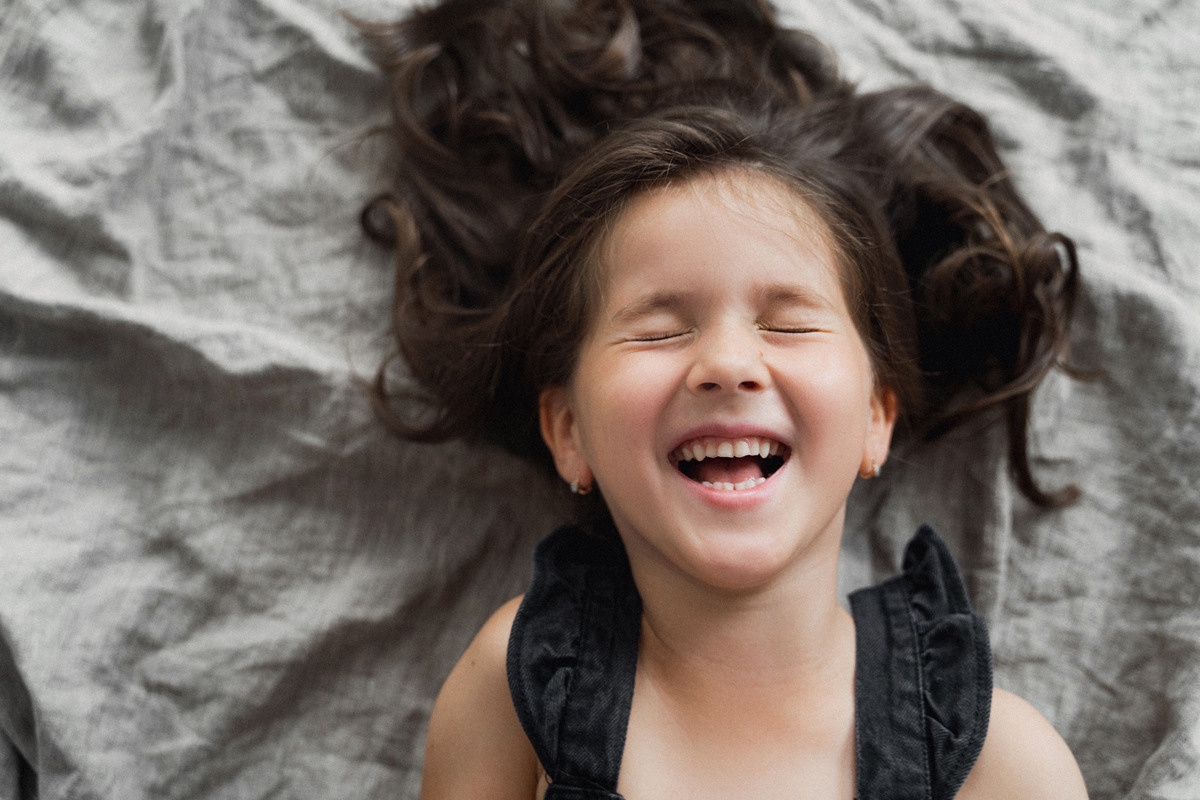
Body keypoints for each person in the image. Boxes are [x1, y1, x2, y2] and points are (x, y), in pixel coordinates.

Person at [355, 1, 1089, 797]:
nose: (729, 363)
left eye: (788, 323)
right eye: (659, 330)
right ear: (569, 431)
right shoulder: (517, 690)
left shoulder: (1002, 763)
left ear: (878, 415)